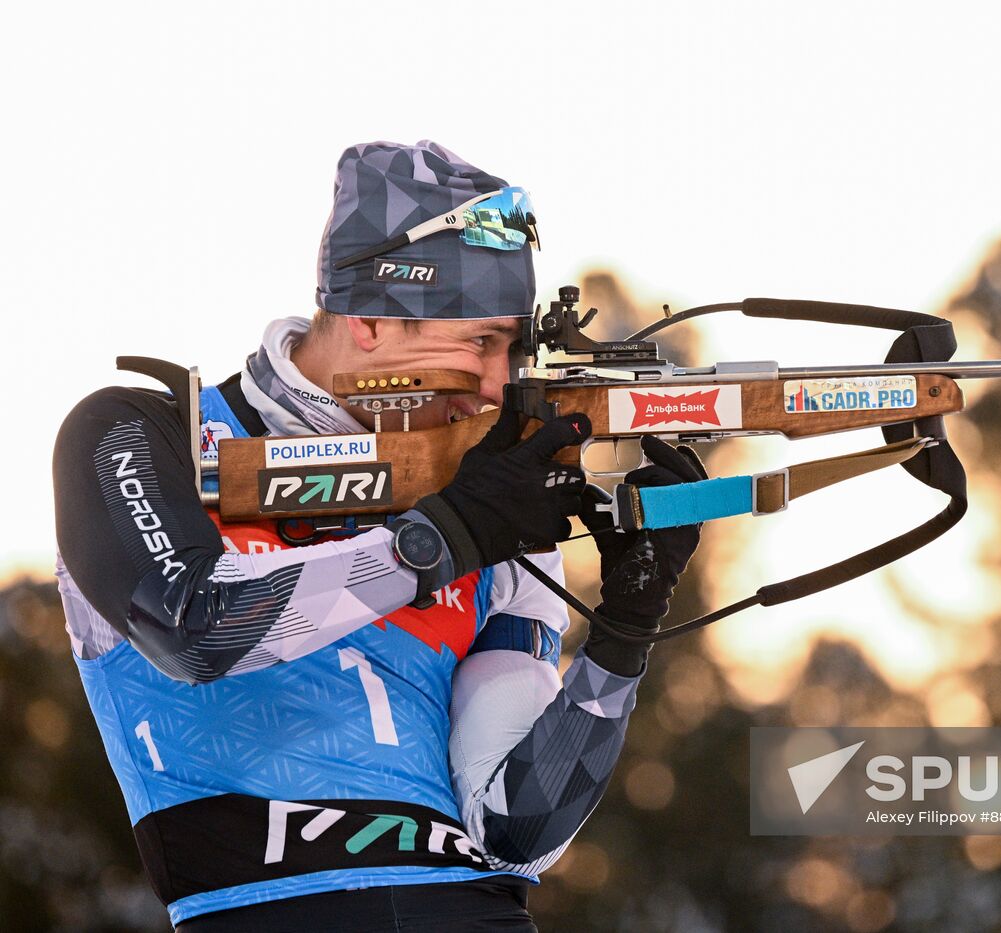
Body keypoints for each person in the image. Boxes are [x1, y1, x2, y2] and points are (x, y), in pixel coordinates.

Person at [51, 140, 703, 931]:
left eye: (514, 348)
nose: (500, 385)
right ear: (367, 320)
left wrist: (623, 634)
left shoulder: (490, 497)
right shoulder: (148, 434)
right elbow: (193, 630)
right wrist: (440, 540)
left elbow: (515, 832)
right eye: (479, 343)